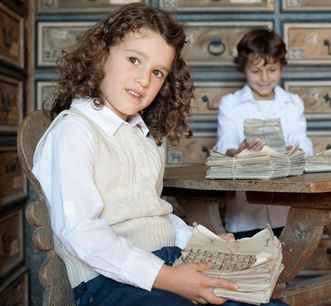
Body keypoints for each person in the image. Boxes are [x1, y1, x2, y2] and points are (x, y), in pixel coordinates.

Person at [33, 4, 289, 306]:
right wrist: (169, 278)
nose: (144, 79)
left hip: (167, 261)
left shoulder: (145, 136)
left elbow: (155, 216)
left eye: (157, 72)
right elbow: (82, 234)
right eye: (133, 60)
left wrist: (203, 243)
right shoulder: (74, 131)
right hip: (106, 282)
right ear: (100, 55)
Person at [216, 28, 313, 239]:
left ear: (281, 67)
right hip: (244, 216)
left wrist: (293, 150)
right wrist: (240, 149)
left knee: (285, 269)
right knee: (248, 268)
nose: (264, 78)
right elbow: (225, 147)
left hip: (286, 213)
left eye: (272, 69)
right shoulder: (231, 103)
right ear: (243, 68)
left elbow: (304, 144)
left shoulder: (293, 103)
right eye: (256, 70)